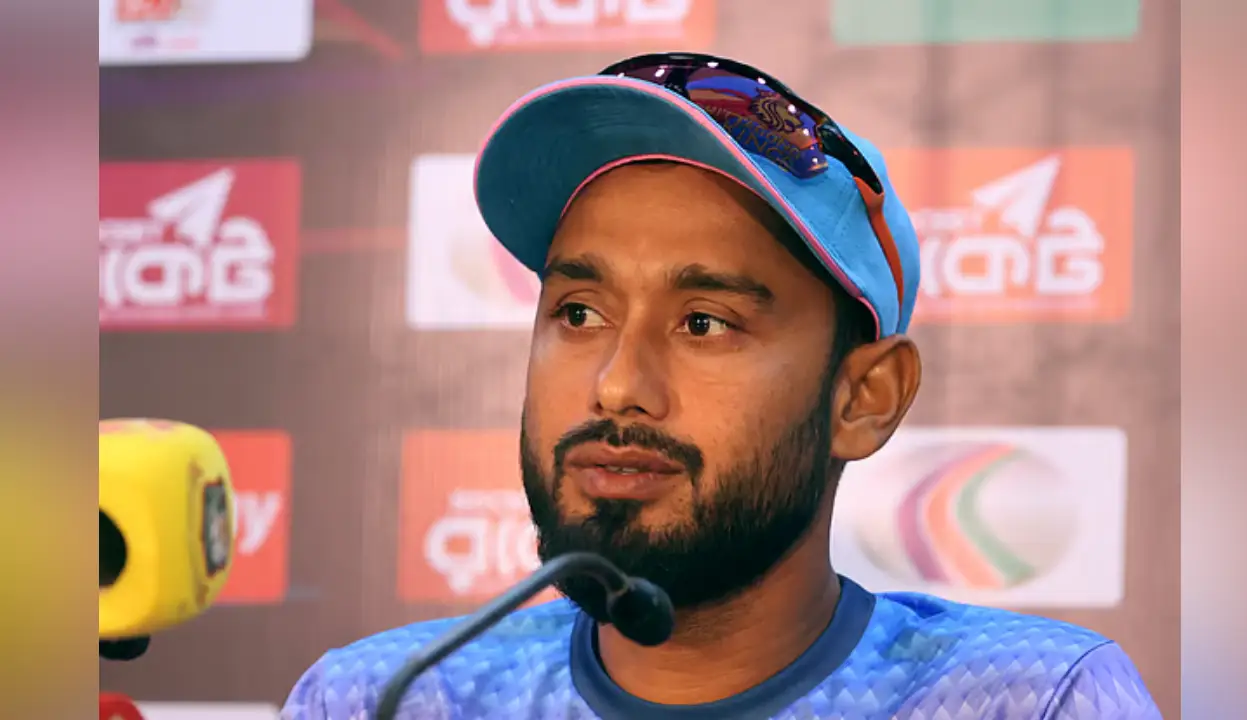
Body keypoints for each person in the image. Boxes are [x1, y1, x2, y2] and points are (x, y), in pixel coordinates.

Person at [283, 53, 1161, 719]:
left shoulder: (1028, 700)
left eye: (704, 322)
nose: (617, 386)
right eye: (580, 313)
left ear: (866, 398)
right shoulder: (383, 701)